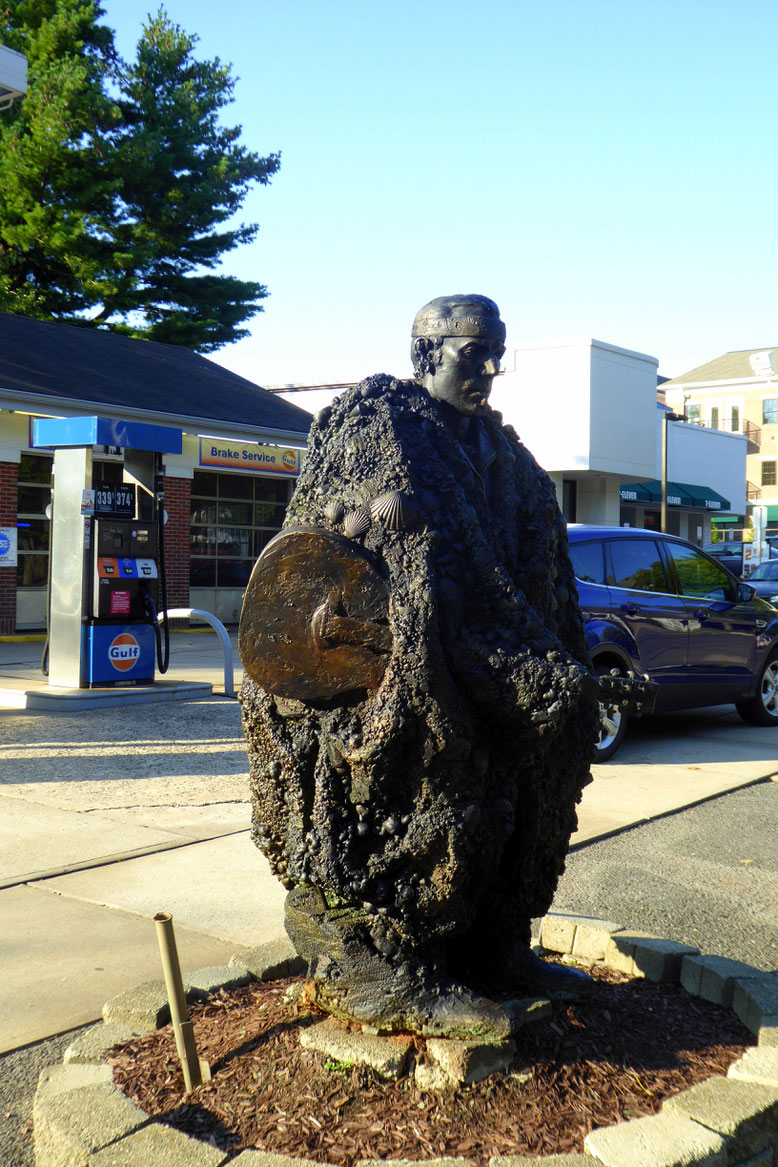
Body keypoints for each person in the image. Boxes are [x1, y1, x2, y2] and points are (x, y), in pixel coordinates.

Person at [239, 294, 599, 1040]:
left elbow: (541, 583)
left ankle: (494, 949)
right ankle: (382, 967)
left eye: (498, 351)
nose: (491, 368)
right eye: (474, 352)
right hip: (399, 677)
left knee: (530, 785)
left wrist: (562, 667)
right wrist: (368, 514)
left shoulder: (516, 467)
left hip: (499, 674)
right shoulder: (377, 429)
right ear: (427, 352)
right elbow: (315, 543)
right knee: (427, 791)